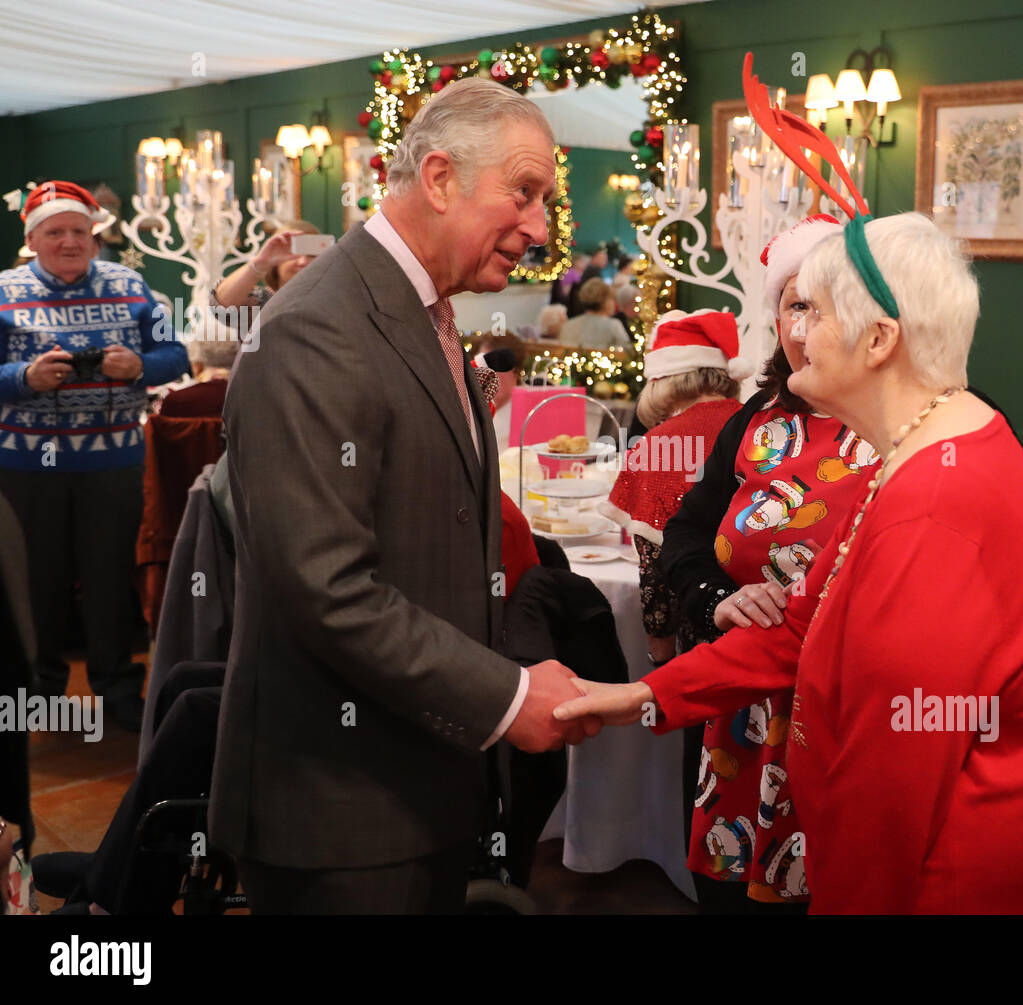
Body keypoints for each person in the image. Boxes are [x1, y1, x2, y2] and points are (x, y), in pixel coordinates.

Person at [557, 212, 1023, 914]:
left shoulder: (934, 501)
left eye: (816, 312)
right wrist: (644, 696)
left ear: (879, 340)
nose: (794, 331)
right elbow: (799, 627)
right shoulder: (917, 451)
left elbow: (891, 801)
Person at [209, 77, 601, 915]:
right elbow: (327, 589)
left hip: (418, 785)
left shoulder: (425, 311)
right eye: (524, 192)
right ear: (439, 178)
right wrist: (507, 695)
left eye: (545, 200)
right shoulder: (318, 327)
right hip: (340, 814)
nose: (540, 227)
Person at [650, 214, 880, 913]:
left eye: (826, 302)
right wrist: (715, 596)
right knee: (727, 895)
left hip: (850, 717)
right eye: (793, 303)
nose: (805, 325)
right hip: (737, 717)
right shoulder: (751, 420)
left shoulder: (915, 423)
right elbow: (684, 535)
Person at [0, 181, 189, 730]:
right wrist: (24, 378)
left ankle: (114, 687)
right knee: (38, 581)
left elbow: (174, 353)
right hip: (26, 465)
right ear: (32, 239)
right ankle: (41, 691)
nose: (69, 242)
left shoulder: (129, 283)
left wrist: (140, 368)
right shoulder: (5, 291)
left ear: (93, 235)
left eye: (79, 231)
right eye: (55, 232)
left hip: (113, 461)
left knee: (110, 577)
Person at [600, 310, 747, 666]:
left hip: (704, 631)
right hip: (771, 621)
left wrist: (659, 658)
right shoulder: (760, 425)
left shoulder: (655, 446)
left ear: (661, 380)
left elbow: (656, 577)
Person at [210, 219, 319, 311]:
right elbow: (221, 307)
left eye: (311, 255)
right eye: (293, 254)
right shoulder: (263, 301)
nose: (303, 261)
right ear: (276, 265)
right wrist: (260, 263)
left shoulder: (330, 300)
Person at [559, 278, 632, 350]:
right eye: (612, 299)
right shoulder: (613, 325)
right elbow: (628, 353)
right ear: (605, 301)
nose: (614, 303)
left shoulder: (568, 325)